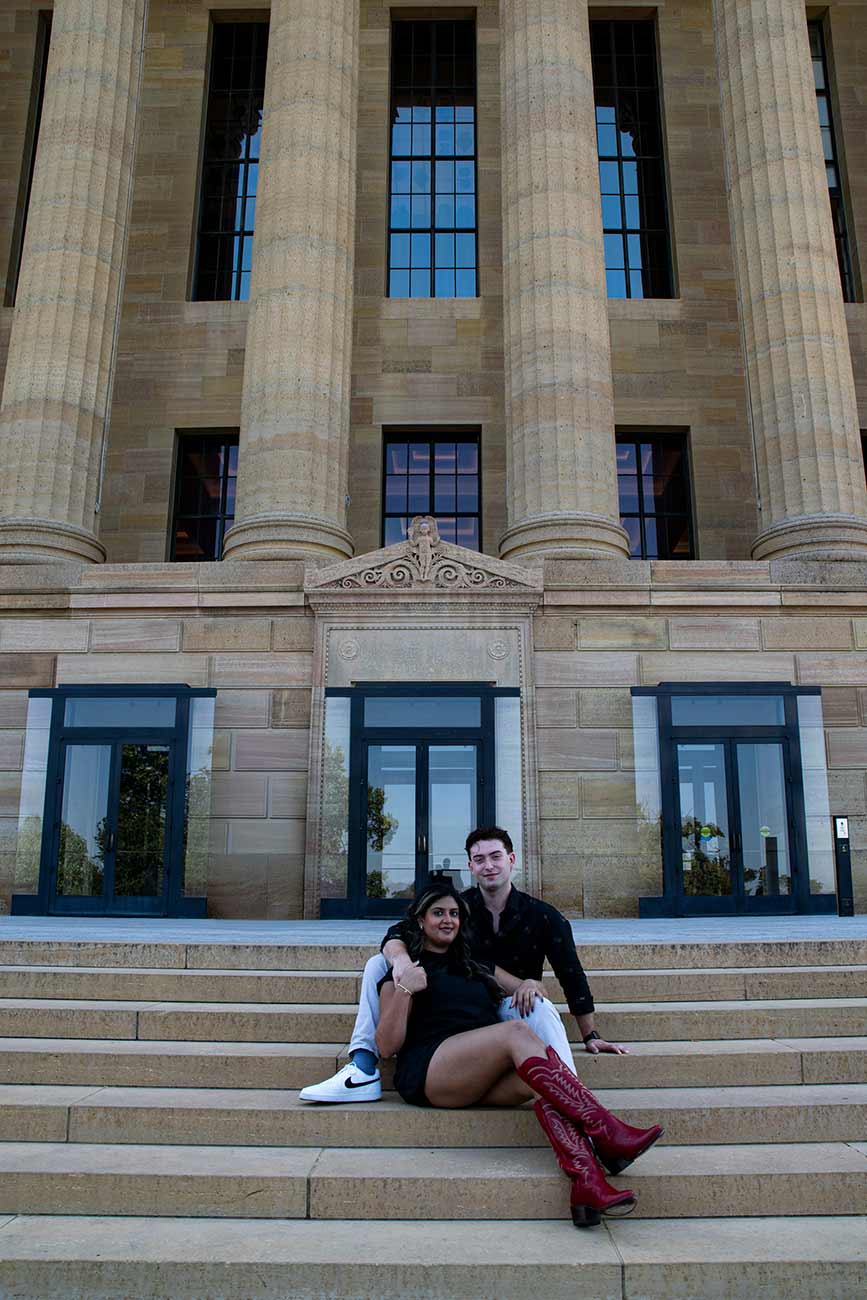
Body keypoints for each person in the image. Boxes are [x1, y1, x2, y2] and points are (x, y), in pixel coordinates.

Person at [375, 881, 663, 1227]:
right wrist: (406, 989)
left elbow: (533, 987)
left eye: (454, 913)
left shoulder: (475, 964)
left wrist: (529, 984)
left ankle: (588, 1185)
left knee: (543, 1083)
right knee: (517, 1032)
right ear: (420, 921)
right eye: (438, 913)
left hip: (476, 1073)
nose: (448, 920)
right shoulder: (407, 971)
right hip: (430, 1069)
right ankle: (607, 1132)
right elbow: (386, 1046)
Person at [300, 825, 625, 1104]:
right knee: (378, 963)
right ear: (471, 866)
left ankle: (576, 1099)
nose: (489, 866)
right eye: (480, 859)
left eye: (496, 857)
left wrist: (589, 1033)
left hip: (511, 1003)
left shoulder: (544, 916)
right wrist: (400, 966)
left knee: (540, 1007)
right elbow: (399, 932)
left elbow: (571, 975)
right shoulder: (459, 909)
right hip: (465, 1015)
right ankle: (362, 1063)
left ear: (511, 860)